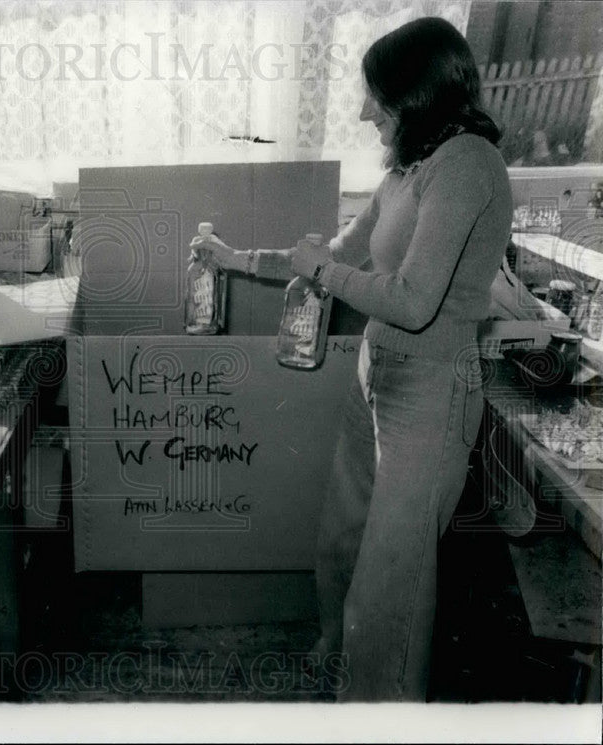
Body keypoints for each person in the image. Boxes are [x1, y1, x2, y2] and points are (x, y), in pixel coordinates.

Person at [196, 16, 511, 701]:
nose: (364, 111)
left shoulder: (467, 166)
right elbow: (330, 258)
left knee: (391, 584)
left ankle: (378, 708)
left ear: (417, 96)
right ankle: (340, 660)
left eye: (377, 97)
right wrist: (232, 259)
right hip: (378, 378)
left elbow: (413, 300)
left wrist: (324, 272)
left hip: (432, 393)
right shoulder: (407, 171)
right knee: (341, 543)